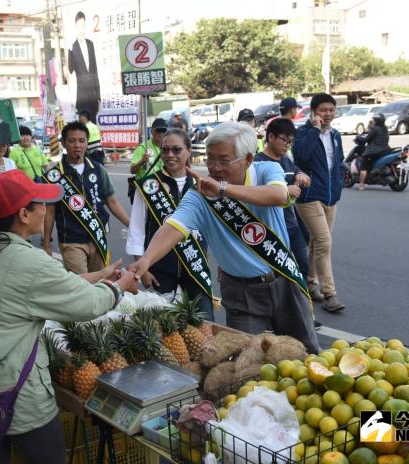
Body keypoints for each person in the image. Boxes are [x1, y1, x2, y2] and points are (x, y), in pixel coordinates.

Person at [0, 169, 139, 464]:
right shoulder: (29, 261)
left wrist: (103, 275)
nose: (46, 209)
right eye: (40, 203)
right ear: (24, 215)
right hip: (18, 397)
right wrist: (119, 287)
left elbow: (50, 287)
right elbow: (89, 305)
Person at [128, 122, 320, 353]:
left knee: (305, 354)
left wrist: (222, 189)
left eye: (223, 160)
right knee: (247, 363)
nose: (214, 167)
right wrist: (146, 259)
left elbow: (278, 194)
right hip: (241, 292)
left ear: (247, 160)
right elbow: (173, 227)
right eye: (209, 159)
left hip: (284, 280)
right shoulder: (199, 195)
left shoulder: (265, 170)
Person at [126, 128, 214, 320]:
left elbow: (214, 229)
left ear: (189, 151)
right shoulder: (149, 185)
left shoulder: (203, 184)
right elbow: (137, 229)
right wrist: (144, 268)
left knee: (206, 326)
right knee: (166, 331)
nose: (170, 155)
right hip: (160, 269)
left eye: (177, 150)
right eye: (165, 150)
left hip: (195, 267)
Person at [254, 118, 321, 329]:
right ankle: (278, 316)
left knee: (301, 267)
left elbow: (296, 171)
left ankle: (304, 314)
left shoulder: (286, 160)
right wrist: (285, 191)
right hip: (270, 229)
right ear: (271, 137)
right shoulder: (257, 163)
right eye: (284, 140)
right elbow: (257, 194)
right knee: (276, 273)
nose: (286, 145)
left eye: (290, 141)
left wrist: (301, 175)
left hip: (291, 225)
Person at [43, 122, 129, 274]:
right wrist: (47, 243)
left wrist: (131, 225)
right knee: (81, 286)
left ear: (87, 143)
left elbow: (112, 201)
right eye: (72, 140)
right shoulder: (54, 176)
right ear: (63, 143)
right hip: (71, 240)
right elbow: (49, 211)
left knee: (101, 284)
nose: (77, 145)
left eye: (82, 141)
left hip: (97, 236)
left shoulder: (98, 169)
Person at [293, 93, 345, 313]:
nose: (328, 114)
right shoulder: (303, 133)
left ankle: (311, 284)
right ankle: (330, 293)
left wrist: (340, 182)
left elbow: (338, 161)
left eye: (331, 110)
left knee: (316, 243)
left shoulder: (335, 135)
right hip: (308, 196)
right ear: (313, 111)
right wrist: (314, 130)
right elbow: (301, 155)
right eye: (324, 110)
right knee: (324, 242)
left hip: (330, 196)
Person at [68, 11, 101, 122]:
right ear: (75, 27)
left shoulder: (90, 44)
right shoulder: (73, 47)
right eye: (79, 26)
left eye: (83, 25)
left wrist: (98, 95)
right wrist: (69, 51)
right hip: (82, 97)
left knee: (94, 127)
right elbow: (70, 69)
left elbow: (95, 70)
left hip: (93, 96)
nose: (82, 29)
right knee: (83, 129)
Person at [356, 113, 391, 191]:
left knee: (364, 166)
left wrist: (358, 137)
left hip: (374, 151)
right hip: (385, 150)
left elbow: (366, 139)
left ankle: (361, 184)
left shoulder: (376, 129)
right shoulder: (385, 129)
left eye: (374, 120)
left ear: (377, 120)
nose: (373, 121)